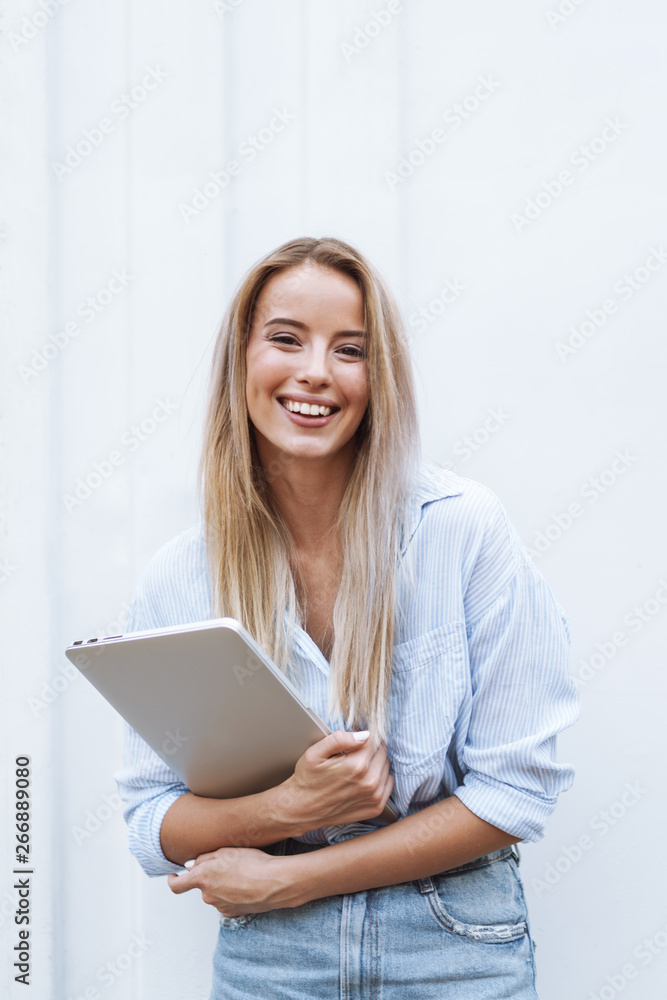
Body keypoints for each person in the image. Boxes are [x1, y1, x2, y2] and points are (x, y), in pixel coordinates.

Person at [114, 235, 580, 999]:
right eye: (286, 339)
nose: (314, 373)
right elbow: (151, 823)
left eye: (350, 350)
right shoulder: (180, 576)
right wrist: (287, 807)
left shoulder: (461, 532)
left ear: (379, 377)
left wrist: (296, 879)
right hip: (271, 960)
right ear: (241, 359)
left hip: (455, 948)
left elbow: (513, 794)